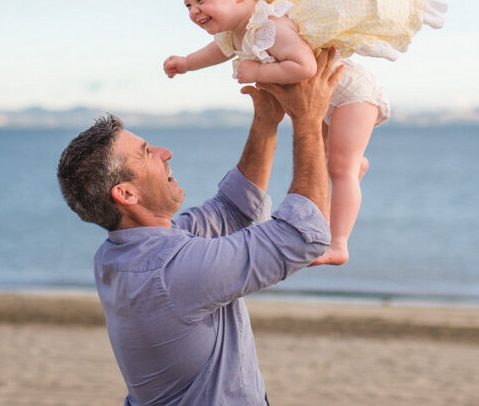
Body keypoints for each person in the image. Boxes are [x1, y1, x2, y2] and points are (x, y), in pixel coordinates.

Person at [56, 49, 342, 406]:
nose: (165, 152)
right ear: (126, 193)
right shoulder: (172, 273)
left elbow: (231, 208)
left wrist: (267, 121)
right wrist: (308, 118)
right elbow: (304, 235)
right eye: (146, 153)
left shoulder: (121, 254)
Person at [163, 0, 446, 266]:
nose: (194, 11)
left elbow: (306, 67)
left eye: (201, 0)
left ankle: (338, 245)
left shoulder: (272, 25)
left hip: (353, 95)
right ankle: (356, 167)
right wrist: (186, 62)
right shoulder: (237, 33)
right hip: (326, 101)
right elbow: (219, 50)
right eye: (187, 5)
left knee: (338, 168)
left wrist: (255, 69)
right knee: (336, 165)